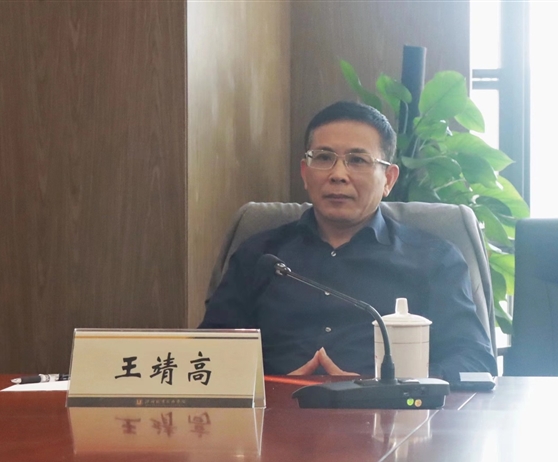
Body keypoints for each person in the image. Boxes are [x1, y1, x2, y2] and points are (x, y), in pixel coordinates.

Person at [199, 101, 497, 381]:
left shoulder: (433, 259)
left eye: (357, 160)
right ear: (305, 173)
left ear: (389, 179)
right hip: (274, 413)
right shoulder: (260, 256)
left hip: (390, 415)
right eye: (324, 158)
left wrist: (386, 387)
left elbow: (474, 363)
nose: (338, 174)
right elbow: (206, 358)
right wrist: (272, 387)